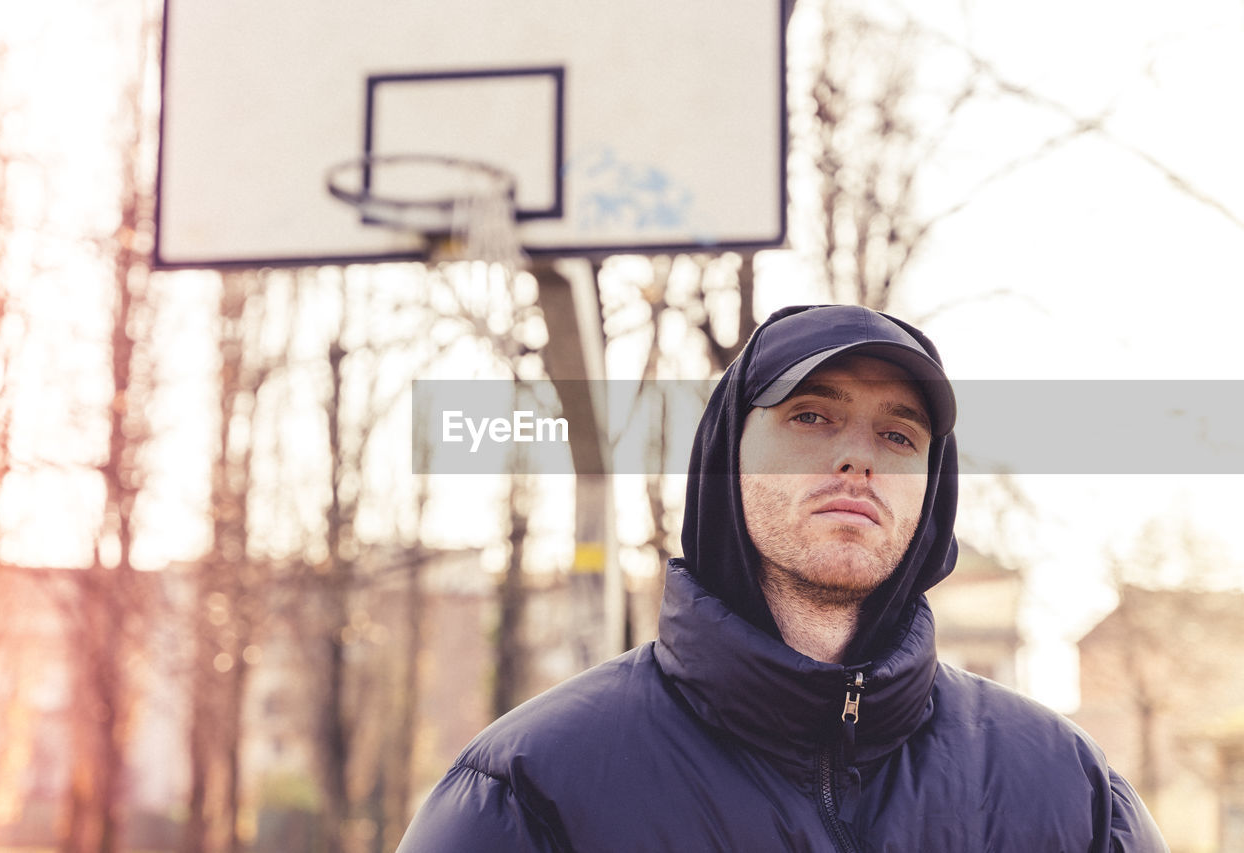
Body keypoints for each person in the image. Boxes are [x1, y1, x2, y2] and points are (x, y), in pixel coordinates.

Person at [398, 304, 1167, 851]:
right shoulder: (530, 793)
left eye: (898, 433)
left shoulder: (1071, 794)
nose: (859, 457)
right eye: (811, 416)